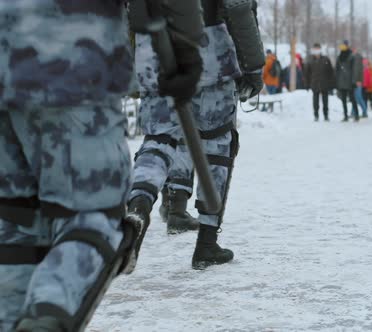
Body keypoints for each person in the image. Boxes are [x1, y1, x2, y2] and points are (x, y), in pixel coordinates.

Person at [0, 1, 204, 330]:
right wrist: (187, 46)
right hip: (71, 53)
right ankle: (46, 315)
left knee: (16, 221)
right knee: (95, 220)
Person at [127, 0, 265, 269]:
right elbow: (237, 7)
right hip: (209, 52)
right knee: (217, 145)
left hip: (152, 54)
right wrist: (253, 67)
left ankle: (138, 208)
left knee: (158, 140)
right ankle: (206, 244)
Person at [305, 43, 335, 121]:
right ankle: (316, 115)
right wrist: (307, 85)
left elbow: (330, 72)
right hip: (315, 83)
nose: (316, 51)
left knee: (325, 101)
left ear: (320, 50)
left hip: (324, 84)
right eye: (315, 49)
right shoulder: (310, 60)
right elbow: (307, 74)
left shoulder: (325, 59)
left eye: (317, 49)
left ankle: (326, 115)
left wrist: (331, 84)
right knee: (315, 101)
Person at [335, 40, 359, 122]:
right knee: (343, 100)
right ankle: (345, 115)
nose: (343, 47)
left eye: (344, 45)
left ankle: (356, 115)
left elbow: (354, 70)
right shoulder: (339, 57)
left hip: (349, 81)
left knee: (352, 99)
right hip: (341, 81)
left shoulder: (351, 56)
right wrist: (336, 81)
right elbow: (337, 70)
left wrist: (353, 81)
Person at [353, 49, 367, 118]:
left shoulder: (358, 58)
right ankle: (353, 112)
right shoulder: (353, 58)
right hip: (354, 81)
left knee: (358, 98)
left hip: (358, 82)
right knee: (355, 98)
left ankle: (364, 112)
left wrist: (359, 81)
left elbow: (360, 71)